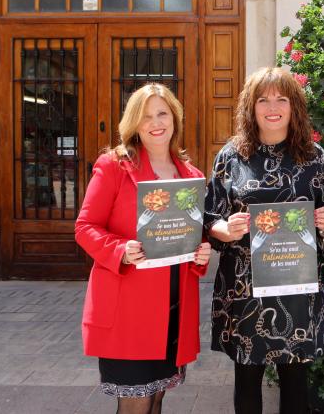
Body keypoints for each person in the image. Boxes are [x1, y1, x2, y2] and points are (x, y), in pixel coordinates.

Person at [204, 67, 324, 414]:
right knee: (246, 383)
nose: (272, 107)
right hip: (244, 289)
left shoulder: (315, 158)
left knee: (296, 384)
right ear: (250, 107)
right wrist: (225, 229)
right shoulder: (231, 157)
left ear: (294, 105)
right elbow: (208, 219)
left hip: (297, 287)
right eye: (262, 100)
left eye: (281, 98)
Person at [75, 83, 211, 414]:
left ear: (174, 118)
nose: (155, 122)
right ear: (134, 123)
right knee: (136, 402)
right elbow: (84, 227)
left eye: (162, 113)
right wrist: (119, 249)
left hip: (172, 310)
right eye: (146, 116)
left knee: (157, 397)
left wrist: (200, 253)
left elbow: (190, 236)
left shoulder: (189, 175)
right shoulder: (113, 166)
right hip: (128, 311)